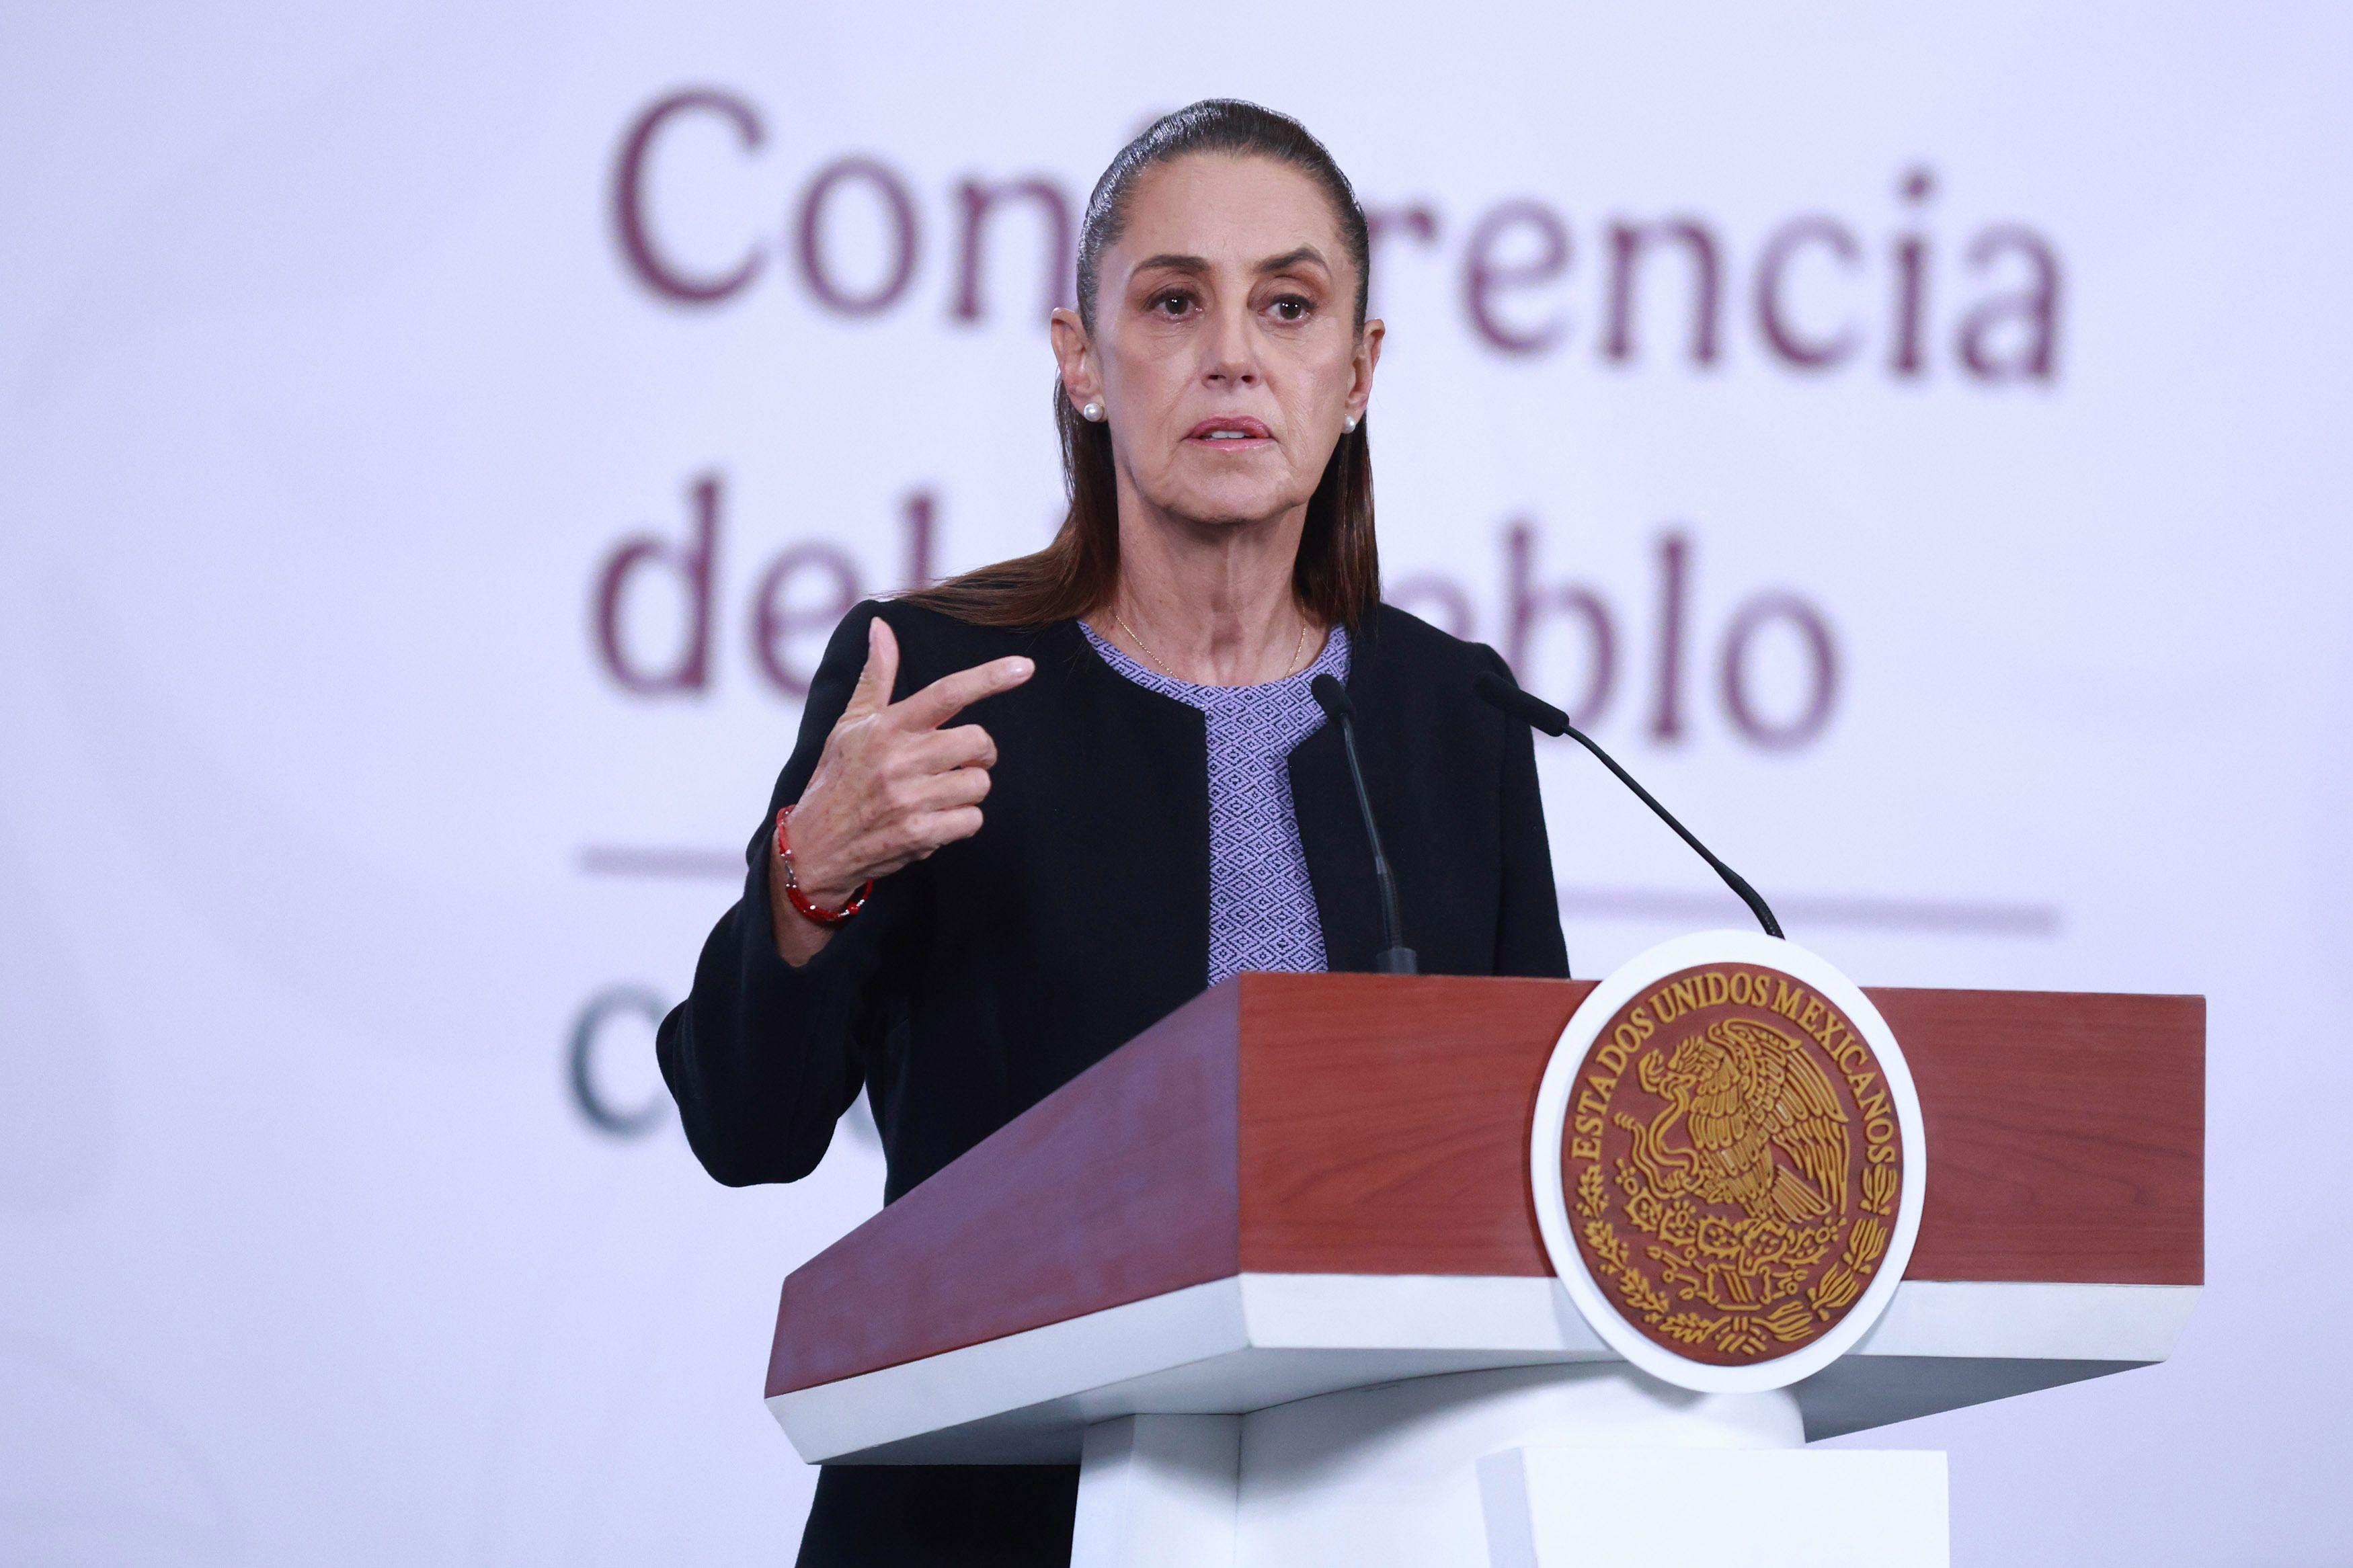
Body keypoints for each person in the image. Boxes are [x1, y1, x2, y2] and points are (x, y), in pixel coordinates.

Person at [657, 98, 1569, 1568]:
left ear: (1356, 374)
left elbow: (1529, 1197)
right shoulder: (931, 680)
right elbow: (746, 1130)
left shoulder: (1451, 716)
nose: (1234, 354)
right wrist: (808, 875)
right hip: (983, 1518)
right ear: (1081, 361)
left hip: (1364, 1521)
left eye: (1288, 305)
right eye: (1172, 302)